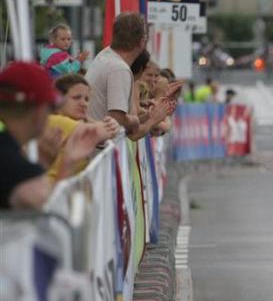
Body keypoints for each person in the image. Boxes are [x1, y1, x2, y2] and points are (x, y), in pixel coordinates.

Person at [0, 62, 108, 209]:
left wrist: (42, 163)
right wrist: (68, 164)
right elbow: (47, 208)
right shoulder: (9, 157)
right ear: (38, 110)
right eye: (51, 107)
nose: (51, 114)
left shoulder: (9, 147)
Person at [86, 12, 180, 140]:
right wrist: (152, 119)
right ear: (142, 41)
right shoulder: (119, 69)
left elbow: (121, 118)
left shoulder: (105, 55)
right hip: (99, 146)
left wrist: (150, 115)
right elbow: (118, 119)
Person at [45, 74, 120, 180]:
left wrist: (94, 121)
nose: (83, 103)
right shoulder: (56, 120)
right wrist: (112, 125)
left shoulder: (75, 123)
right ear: (58, 99)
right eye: (76, 98)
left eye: (87, 99)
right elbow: (103, 131)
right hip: (53, 188)